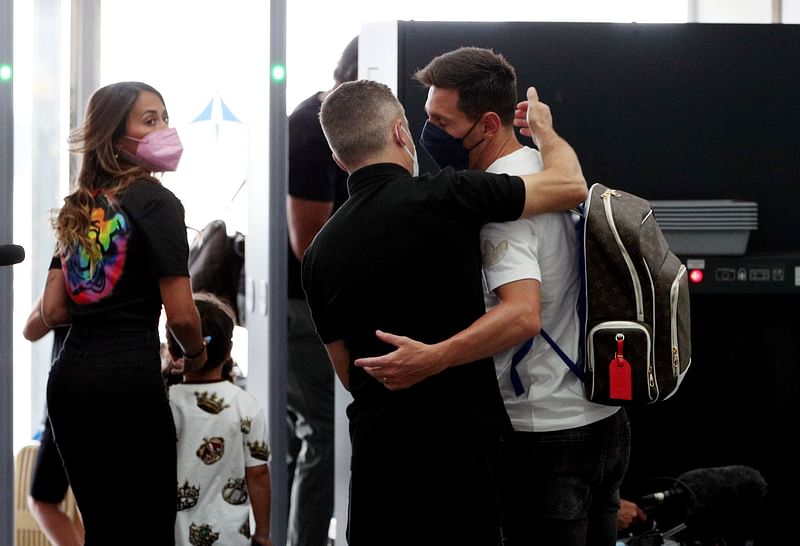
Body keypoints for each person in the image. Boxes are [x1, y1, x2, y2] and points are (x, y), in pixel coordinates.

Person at [353, 47, 631, 546]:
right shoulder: (546, 168)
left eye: (441, 120)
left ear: (485, 124)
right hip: (603, 418)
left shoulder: (501, 196)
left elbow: (521, 315)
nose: (427, 132)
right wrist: (545, 130)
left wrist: (433, 358)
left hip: (542, 434)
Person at [301, 78, 587, 545]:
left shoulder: (318, 254)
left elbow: (349, 373)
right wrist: (545, 131)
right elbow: (569, 186)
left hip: (378, 468)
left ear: (338, 159)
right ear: (401, 134)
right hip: (459, 460)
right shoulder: (449, 196)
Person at [41, 81, 206, 546]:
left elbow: (52, 309)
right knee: (146, 530)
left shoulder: (79, 206)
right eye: (149, 120)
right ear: (116, 138)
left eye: (164, 118)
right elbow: (182, 315)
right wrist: (192, 355)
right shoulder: (158, 203)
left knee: (104, 528)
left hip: (70, 380)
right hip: (129, 381)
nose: (164, 129)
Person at [285, 35, 357, 546]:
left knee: (308, 436)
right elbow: (308, 245)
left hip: (318, 304)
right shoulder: (313, 130)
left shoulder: (339, 127)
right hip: (299, 306)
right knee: (325, 434)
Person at [167, 292, 273, 546]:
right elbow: (258, 475)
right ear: (228, 352)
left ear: (172, 351)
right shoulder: (246, 406)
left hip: (170, 535)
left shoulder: (165, 403)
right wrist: (262, 534)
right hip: (230, 537)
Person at [22, 292, 83, 546]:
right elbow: (30, 329)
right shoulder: (67, 267)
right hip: (64, 400)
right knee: (41, 500)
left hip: (79, 399)